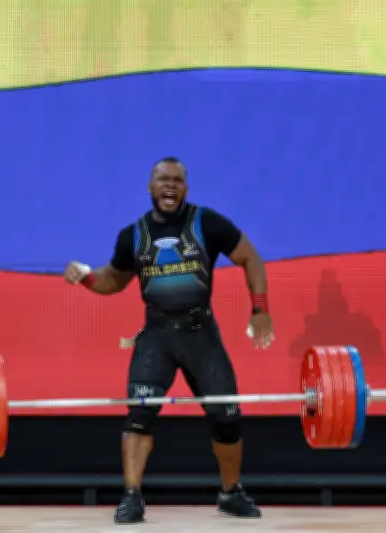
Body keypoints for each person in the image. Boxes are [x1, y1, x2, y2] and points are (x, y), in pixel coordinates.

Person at [63, 157, 274, 524]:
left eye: (177, 180)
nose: (170, 186)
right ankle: (131, 497)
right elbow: (113, 280)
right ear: (150, 186)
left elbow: (251, 258)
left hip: (200, 335)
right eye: (163, 179)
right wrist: (85, 277)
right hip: (157, 336)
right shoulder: (133, 235)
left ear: (186, 188)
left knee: (227, 417)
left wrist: (260, 310)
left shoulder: (206, 223)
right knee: (139, 414)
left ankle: (230, 493)